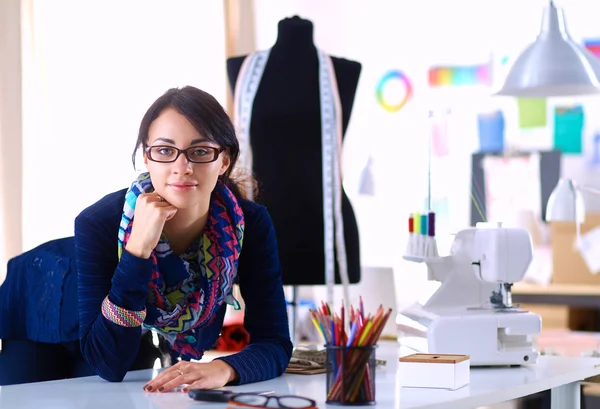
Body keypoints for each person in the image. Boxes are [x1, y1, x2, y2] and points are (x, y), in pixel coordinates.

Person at [0, 86, 293, 391]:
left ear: (224, 160)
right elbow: (107, 362)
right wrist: (137, 249)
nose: (183, 168)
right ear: (146, 157)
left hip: (120, 320)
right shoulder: (98, 222)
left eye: (201, 150)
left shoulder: (248, 224)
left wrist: (226, 368)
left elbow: (275, 342)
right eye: (165, 151)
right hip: (44, 299)